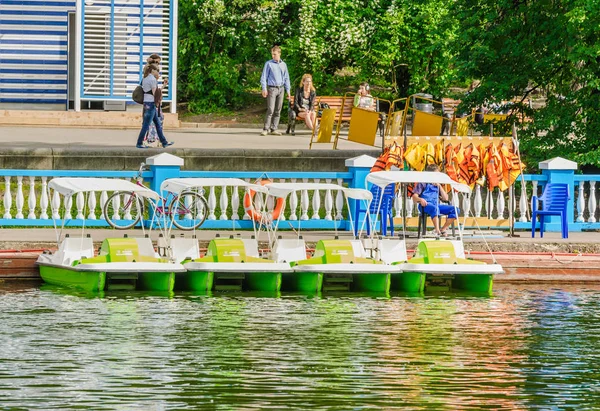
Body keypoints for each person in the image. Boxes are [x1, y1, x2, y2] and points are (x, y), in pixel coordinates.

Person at [411, 164, 459, 237]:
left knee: (455, 210)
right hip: (425, 205)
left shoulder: (437, 184)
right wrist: (420, 199)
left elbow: (446, 198)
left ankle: (443, 229)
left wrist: (439, 186)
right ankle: (437, 231)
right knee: (434, 208)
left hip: (436, 205)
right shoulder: (422, 183)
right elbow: (414, 196)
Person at [135, 64, 173, 149]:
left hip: (146, 103)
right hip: (151, 104)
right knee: (146, 125)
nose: (158, 72)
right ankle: (139, 143)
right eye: (157, 70)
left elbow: (152, 92)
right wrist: (158, 102)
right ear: (153, 70)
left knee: (157, 124)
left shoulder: (145, 78)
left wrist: (163, 86)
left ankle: (164, 142)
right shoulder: (152, 79)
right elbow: (155, 93)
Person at [260, 45, 291, 136]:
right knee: (270, 109)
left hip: (281, 88)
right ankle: (266, 128)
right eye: (272, 54)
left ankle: (274, 128)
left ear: (279, 54)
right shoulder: (269, 64)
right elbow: (263, 77)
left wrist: (288, 90)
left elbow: (286, 78)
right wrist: (264, 88)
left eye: (275, 54)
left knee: (278, 110)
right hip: (272, 88)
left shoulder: (283, 64)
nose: (273, 56)